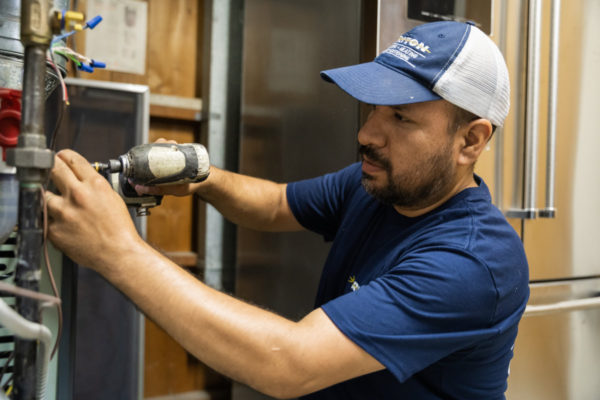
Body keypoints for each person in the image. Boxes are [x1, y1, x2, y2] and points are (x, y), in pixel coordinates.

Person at [45, 21, 529, 399]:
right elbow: (278, 204)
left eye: (400, 117)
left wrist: (117, 250)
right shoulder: (381, 184)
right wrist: (200, 177)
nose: (367, 135)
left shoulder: (473, 263)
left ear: (471, 140)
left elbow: (288, 363)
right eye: (373, 108)